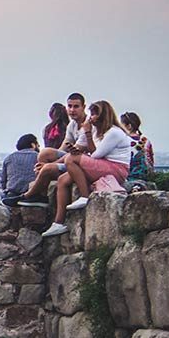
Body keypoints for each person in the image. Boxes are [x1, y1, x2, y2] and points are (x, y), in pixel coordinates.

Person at [42, 101, 131, 237]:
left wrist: (88, 134)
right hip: (102, 165)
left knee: (71, 159)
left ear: (103, 115)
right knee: (62, 180)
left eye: (95, 114)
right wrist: (86, 138)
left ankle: (84, 196)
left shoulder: (114, 132)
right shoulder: (97, 131)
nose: (92, 117)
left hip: (116, 168)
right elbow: (87, 149)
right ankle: (58, 223)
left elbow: (96, 154)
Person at [17, 92, 88, 206]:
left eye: (76, 106)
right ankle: (42, 190)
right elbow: (64, 148)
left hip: (80, 161)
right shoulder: (72, 125)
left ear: (83, 107)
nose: (72, 110)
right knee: (45, 153)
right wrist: (47, 162)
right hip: (70, 158)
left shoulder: (87, 125)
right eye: (69, 106)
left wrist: (50, 165)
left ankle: (30, 195)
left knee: (48, 167)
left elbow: (75, 152)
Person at [120, 111, 154, 189]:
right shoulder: (146, 141)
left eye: (121, 124)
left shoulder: (123, 140)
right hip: (143, 178)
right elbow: (151, 162)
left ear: (129, 126)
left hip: (126, 178)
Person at [1, 134, 40, 202]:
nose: (39, 147)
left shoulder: (9, 158)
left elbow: (3, 182)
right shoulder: (38, 156)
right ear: (33, 145)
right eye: (38, 145)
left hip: (12, 195)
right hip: (33, 195)